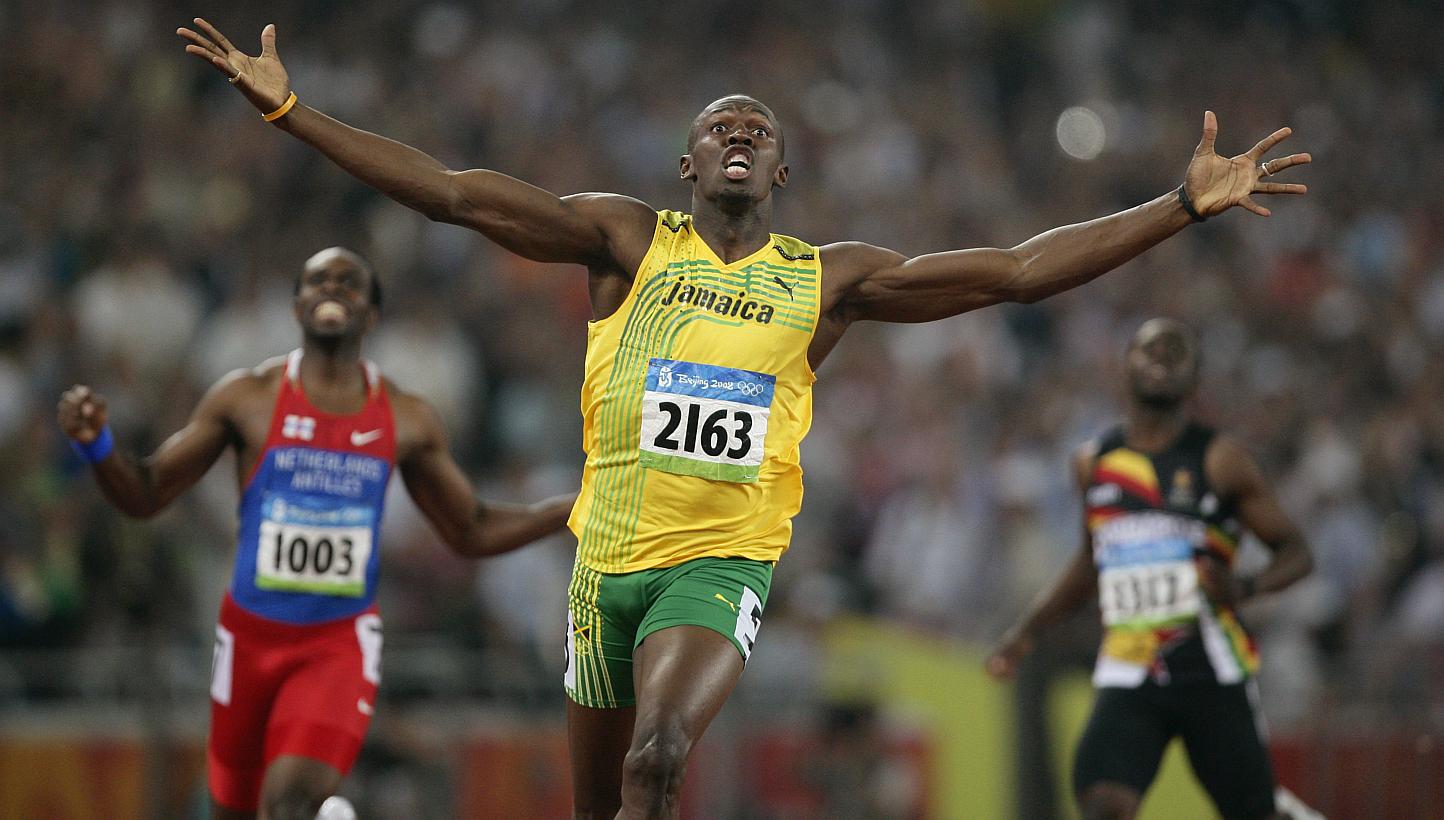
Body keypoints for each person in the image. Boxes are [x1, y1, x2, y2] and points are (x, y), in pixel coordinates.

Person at [176, 20, 1311, 819]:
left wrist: (1175, 207)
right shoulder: (625, 240)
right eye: (718, 123)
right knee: (600, 801)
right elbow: (457, 192)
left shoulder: (825, 278)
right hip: (602, 568)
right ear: (684, 163)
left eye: (757, 128)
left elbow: (1015, 271)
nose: (737, 132)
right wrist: (293, 114)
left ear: (782, 167)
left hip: (717, 564)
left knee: (660, 764)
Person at [58, 247, 575, 820]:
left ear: (372, 315)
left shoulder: (406, 418)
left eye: (349, 282)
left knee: (293, 799)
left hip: (338, 642)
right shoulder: (247, 399)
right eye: (318, 280)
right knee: (233, 808)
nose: (333, 288)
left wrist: (566, 511)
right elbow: (146, 492)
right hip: (249, 639)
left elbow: (471, 529)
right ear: (297, 307)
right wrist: (96, 445)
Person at [986, 319, 1314, 820]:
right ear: (1126, 367)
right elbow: (1089, 560)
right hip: (1131, 670)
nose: (1161, 358)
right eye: (1150, 349)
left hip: (1209, 672)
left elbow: (1296, 552)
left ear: (1195, 377)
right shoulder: (1093, 463)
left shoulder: (1221, 460)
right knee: (1103, 806)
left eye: (1176, 351)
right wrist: (1026, 631)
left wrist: (1245, 585)